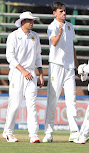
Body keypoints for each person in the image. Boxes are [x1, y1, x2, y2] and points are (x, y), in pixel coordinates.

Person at [2, 11, 44, 143]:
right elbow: (10, 57)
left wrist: (41, 74)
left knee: (31, 104)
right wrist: (23, 71)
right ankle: (8, 132)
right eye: (30, 20)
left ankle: (33, 134)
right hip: (17, 73)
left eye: (32, 21)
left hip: (31, 73)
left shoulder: (35, 36)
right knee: (14, 104)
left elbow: (38, 56)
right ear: (22, 21)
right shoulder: (13, 36)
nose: (32, 23)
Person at [43, 1, 79, 143]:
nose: (64, 13)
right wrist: (59, 32)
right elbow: (54, 43)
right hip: (56, 66)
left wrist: (76, 65)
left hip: (69, 67)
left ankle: (74, 133)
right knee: (53, 99)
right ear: (54, 13)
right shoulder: (52, 26)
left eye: (64, 11)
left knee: (72, 100)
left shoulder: (70, 26)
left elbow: (72, 47)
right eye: (60, 11)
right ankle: (48, 133)